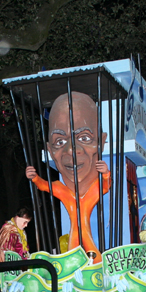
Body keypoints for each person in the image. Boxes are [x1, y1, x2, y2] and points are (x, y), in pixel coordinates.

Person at [25, 91, 110, 259]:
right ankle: (76, 262)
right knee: (74, 246)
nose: (71, 150)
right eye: (60, 142)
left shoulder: (94, 190)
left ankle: (93, 262)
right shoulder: (61, 190)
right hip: (75, 239)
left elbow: (106, 185)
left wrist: (106, 173)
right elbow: (43, 185)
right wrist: (34, 177)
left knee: (86, 243)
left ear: (100, 142)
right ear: (50, 150)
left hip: (88, 239)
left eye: (84, 138)